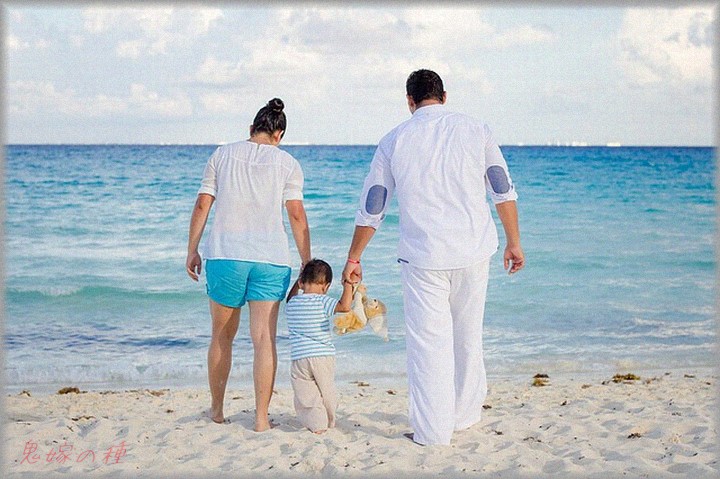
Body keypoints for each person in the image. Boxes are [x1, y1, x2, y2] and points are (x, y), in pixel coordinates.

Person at [342, 69, 525, 446]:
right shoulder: (476, 129)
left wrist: (354, 256)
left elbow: (374, 204)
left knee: (428, 344)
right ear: (444, 96)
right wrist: (514, 242)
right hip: (473, 251)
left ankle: (432, 432)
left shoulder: (394, 140)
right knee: (467, 336)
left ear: (410, 102)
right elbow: (502, 188)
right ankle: (464, 416)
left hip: (423, 257)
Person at [186, 98, 311, 431]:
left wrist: (192, 249)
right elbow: (296, 215)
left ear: (252, 128)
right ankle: (260, 419)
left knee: (221, 336)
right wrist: (306, 261)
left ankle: (216, 411)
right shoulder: (288, 163)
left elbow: (202, 205)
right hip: (271, 259)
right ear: (279, 135)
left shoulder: (222, 155)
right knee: (264, 340)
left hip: (226, 255)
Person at [285, 259, 353, 434]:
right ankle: (330, 419)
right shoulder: (323, 301)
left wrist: (297, 282)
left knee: (305, 392)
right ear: (326, 286)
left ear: (301, 282)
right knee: (326, 388)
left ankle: (317, 424)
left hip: (300, 357)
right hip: (323, 355)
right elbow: (345, 306)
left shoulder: (293, 303)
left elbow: (289, 297)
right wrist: (348, 284)